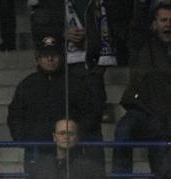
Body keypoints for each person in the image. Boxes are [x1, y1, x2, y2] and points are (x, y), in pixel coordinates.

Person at [111, 2, 171, 179]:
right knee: (124, 131)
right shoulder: (140, 45)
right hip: (142, 112)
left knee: (161, 164)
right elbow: (136, 25)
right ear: (153, 24)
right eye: (163, 20)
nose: (168, 24)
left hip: (167, 118)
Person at [6, 34, 103, 165]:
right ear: (37, 59)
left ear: (62, 57)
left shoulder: (75, 83)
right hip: (37, 152)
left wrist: (75, 134)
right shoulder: (27, 85)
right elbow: (15, 116)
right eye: (45, 55)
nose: (50, 58)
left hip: (71, 152)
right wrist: (25, 139)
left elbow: (91, 113)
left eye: (54, 54)